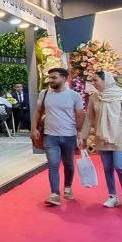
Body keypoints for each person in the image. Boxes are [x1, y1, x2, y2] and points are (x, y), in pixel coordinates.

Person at [81, 70, 122, 209]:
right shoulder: (94, 97)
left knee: (120, 167)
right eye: (92, 81)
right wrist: (83, 136)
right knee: (107, 168)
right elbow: (89, 118)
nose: (94, 83)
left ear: (106, 80)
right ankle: (112, 196)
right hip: (101, 138)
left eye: (96, 80)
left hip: (120, 137)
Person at [32, 68, 84, 206]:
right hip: (50, 136)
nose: (50, 80)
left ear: (64, 79)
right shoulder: (44, 94)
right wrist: (34, 128)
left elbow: (80, 115)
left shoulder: (74, 96)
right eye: (50, 77)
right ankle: (55, 194)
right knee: (53, 164)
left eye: (54, 77)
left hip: (69, 136)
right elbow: (38, 112)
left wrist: (80, 134)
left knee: (68, 164)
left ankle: (67, 187)